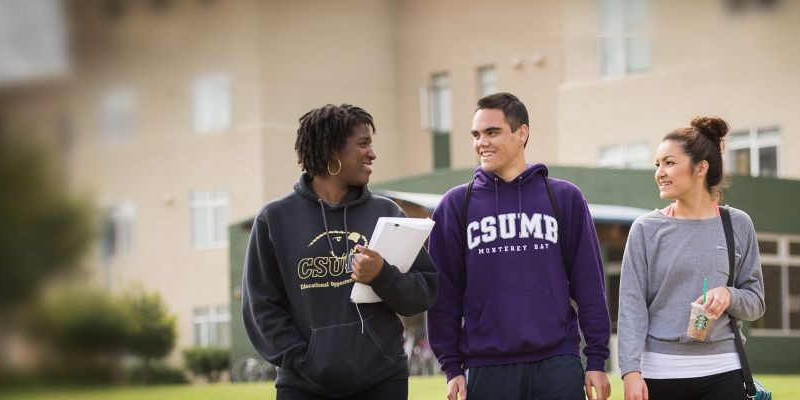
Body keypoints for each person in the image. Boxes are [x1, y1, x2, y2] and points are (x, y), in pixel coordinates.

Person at [242, 104, 439, 400]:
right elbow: (262, 307)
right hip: (304, 384)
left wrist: (383, 275)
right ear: (332, 149)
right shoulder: (275, 219)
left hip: (381, 380)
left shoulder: (387, 214)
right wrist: (304, 360)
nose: (372, 154)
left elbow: (422, 294)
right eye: (363, 144)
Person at [426, 92, 612, 400]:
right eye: (476, 134)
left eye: (492, 132)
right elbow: (444, 295)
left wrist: (595, 359)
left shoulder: (564, 198)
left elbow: (590, 284)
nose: (481, 142)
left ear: (522, 133)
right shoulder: (456, 205)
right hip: (487, 365)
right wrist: (451, 367)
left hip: (558, 361)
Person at [617, 116, 765, 400]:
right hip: (660, 373)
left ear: (700, 168)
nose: (660, 172)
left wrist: (728, 295)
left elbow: (756, 303)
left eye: (669, 163)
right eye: (657, 164)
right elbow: (631, 307)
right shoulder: (645, 229)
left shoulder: (737, 224)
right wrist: (630, 372)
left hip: (725, 369)